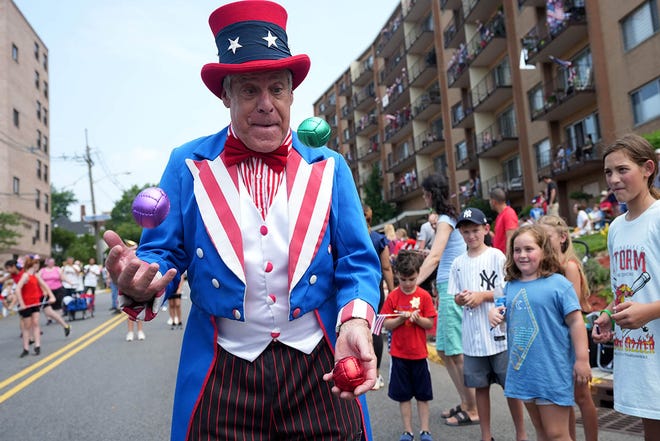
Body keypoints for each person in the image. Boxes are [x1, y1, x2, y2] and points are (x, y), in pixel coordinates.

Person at [103, 2, 381, 439]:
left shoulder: (329, 167)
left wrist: (357, 321)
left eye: (277, 88)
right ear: (225, 95)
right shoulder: (187, 164)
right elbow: (161, 252)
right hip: (223, 368)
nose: (266, 104)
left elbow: (358, 263)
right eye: (250, 90)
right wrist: (140, 277)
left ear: (292, 94)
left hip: (318, 367)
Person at [489, 225, 591, 441]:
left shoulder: (559, 285)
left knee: (557, 433)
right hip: (524, 371)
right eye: (517, 250)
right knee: (542, 432)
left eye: (529, 249)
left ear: (543, 250)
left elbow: (576, 321)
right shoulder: (511, 286)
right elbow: (508, 316)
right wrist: (494, 314)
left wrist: (582, 359)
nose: (522, 255)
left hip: (551, 370)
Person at [592, 133, 660, 440]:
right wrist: (608, 312)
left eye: (622, 170)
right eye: (608, 172)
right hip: (638, 354)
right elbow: (622, 285)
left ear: (648, 168)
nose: (614, 179)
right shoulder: (616, 227)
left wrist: (649, 311)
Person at [451, 207, 528, 441]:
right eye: (465, 232)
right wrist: (463, 298)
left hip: (499, 334)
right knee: (480, 387)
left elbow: (507, 290)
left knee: (511, 388)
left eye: (475, 230)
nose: (471, 236)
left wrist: (481, 296)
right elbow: (454, 295)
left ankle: (521, 434)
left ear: (486, 229)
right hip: (473, 337)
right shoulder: (458, 263)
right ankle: (486, 435)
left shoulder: (496, 256)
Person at [416, 173, 478, 426]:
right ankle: (465, 401)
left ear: (431, 194)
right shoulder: (444, 219)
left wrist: (412, 283)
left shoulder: (444, 220)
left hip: (453, 287)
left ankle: (473, 408)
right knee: (444, 350)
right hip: (447, 287)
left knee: (456, 351)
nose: (422, 197)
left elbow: (436, 255)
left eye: (424, 193)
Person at [538, 215, 598, 441]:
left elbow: (571, 311)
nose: (543, 242)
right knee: (565, 398)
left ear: (562, 237)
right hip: (558, 339)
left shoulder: (569, 266)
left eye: (547, 237)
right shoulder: (549, 268)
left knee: (582, 397)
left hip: (573, 338)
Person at [381, 250, 437, 441]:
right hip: (399, 354)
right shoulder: (393, 297)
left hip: (419, 354)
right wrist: (399, 319)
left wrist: (418, 319)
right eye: (403, 279)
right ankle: (407, 431)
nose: (407, 283)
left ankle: (425, 430)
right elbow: (386, 324)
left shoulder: (424, 296)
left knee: (423, 395)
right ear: (397, 275)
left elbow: (430, 324)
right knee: (403, 396)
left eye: (411, 279)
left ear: (418, 274)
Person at [363, 203, 395, 391]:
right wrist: (392, 291)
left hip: (354, 289)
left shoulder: (352, 236)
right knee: (375, 329)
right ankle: (375, 374)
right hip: (376, 290)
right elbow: (386, 268)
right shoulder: (379, 239)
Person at [15, 256, 57, 357]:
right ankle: (25, 348)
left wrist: (51, 296)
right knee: (27, 326)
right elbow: (17, 289)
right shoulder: (25, 276)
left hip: (35, 303)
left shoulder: (36, 276)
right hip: (26, 304)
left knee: (36, 323)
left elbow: (45, 285)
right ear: (31, 265)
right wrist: (22, 303)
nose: (38, 266)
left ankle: (37, 346)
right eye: (36, 264)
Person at [37, 258, 72, 336]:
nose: (51, 264)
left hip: (56, 289)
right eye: (50, 262)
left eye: (52, 262)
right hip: (45, 292)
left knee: (53, 308)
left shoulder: (57, 269)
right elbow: (40, 282)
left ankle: (65, 325)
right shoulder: (41, 271)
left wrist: (69, 282)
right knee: (47, 311)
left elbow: (62, 277)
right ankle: (64, 325)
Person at [489, 187, 518, 254]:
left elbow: (510, 238)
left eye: (490, 200)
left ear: (493, 202)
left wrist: (508, 260)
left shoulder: (508, 213)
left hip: (504, 257)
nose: (489, 203)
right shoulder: (500, 215)